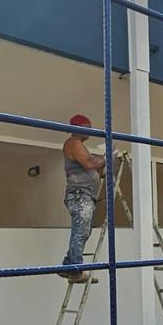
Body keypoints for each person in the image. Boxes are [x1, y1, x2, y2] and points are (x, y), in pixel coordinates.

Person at [61, 114, 105, 282]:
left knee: (83, 231)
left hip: (84, 195)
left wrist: (103, 163)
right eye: (87, 127)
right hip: (80, 195)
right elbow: (89, 163)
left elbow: (93, 170)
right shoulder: (73, 143)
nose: (90, 131)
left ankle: (68, 266)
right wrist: (106, 157)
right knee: (80, 232)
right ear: (79, 128)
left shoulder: (79, 145)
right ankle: (75, 270)